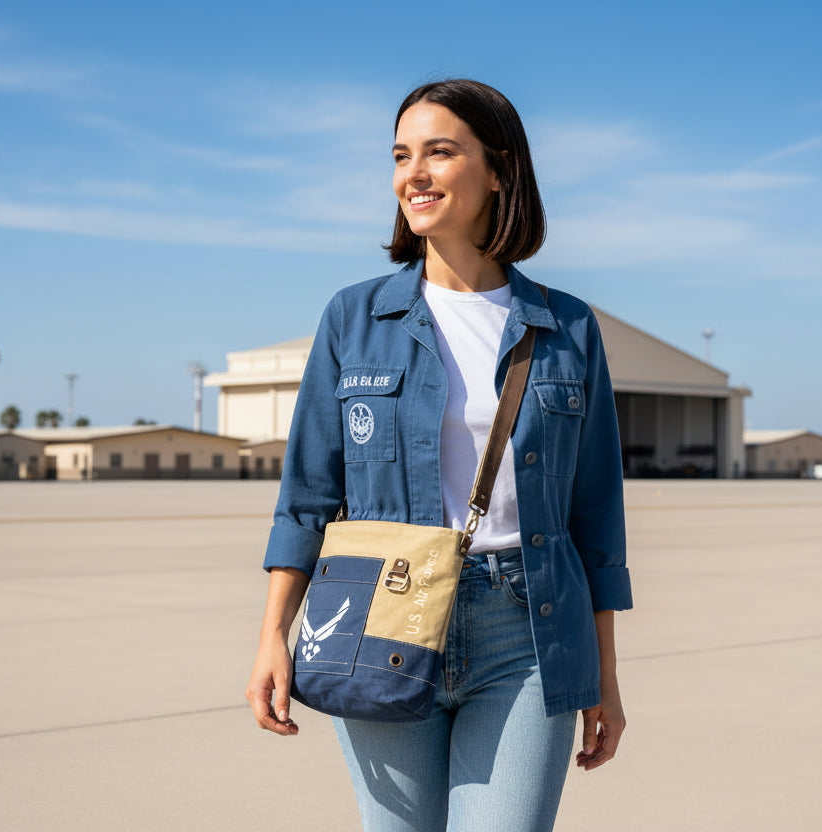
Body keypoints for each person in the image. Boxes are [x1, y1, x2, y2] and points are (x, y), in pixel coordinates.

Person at [246, 78, 631, 832]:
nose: (412, 174)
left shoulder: (567, 327)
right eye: (400, 155)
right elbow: (307, 494)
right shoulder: (355, 318)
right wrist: (273, 637)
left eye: (440, 152)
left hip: (525, 629)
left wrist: (605, 675)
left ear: (498, 170)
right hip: (379, 613)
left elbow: (596, 518)